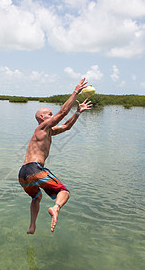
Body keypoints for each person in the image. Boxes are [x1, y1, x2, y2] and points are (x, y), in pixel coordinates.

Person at [18, 78, 93, 234]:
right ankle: (55, 208)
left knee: (36, 197)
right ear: (42, 119)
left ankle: (32, 226)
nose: (53, 115)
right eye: (49, 114)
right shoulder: (42, 127)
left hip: (23, 174)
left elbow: (65, 126)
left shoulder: (48, 131)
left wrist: (78, 113)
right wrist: (76, 91)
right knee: (64, 192)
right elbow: (63, 113)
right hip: (34, 169)